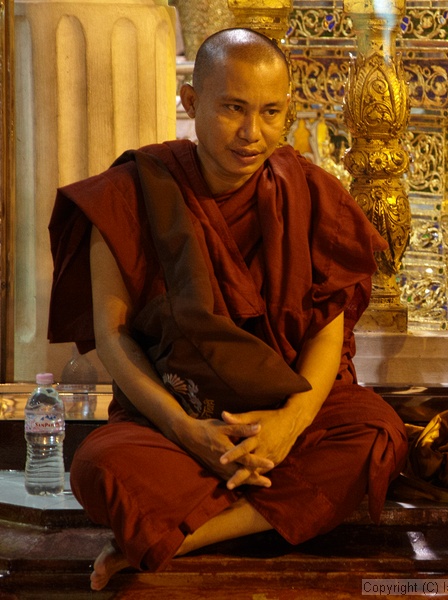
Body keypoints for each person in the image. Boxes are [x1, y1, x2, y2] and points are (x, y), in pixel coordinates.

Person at [47, 28, 407, 590]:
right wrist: (190, 432)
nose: (251, 133)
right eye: (233, 109)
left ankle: (180, 537)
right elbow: (113, 338)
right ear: (192, 103)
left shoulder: (311, 192)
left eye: (270, 112)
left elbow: (325, 334)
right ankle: (278, 513)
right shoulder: (129, 192)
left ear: (288, 110)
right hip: (173, 416)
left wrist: (287, 427)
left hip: (286, 410)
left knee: (374, 432)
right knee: (99, 466)